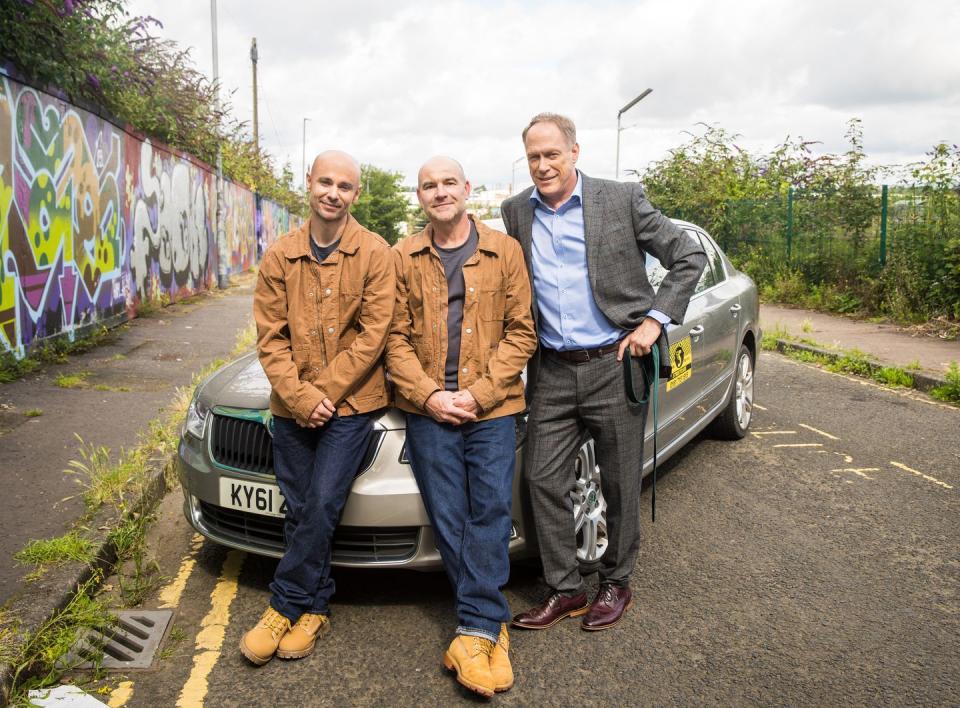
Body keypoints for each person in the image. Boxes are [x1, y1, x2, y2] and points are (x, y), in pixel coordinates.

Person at [501, 113, 706, 632]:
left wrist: (656, 321)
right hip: (551, 369)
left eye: (552, 154)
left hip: (614, 364)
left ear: (574, 152)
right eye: (533, 157)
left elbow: (688, 255)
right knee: (541, 479)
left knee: (617, 482)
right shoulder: (514, 212)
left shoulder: (621, 199)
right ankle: (565, 589)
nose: (543, 165)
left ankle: (616, 582)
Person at [386, 156, 537, 696]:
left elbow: (522, 333)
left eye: (449, 182)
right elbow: (393, 338)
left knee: (490, 508)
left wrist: (477, 393)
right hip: (429, 408)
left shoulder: (505, 251)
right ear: (420, 196)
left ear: (467, 190)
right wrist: (430, 395)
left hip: (491, 406)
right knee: (448, 511)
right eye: (429, 185)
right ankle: (486, 625)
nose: (440, 192)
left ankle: (473, 627)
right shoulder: (402, 256)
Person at [242, 150, 395, 665]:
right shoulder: (279, 255)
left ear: (356, 194)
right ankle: (316, 606)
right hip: (291, 408)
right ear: (308, 184)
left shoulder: (375, 253)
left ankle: (284, 602)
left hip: (351, 407)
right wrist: (301, 397)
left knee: (323, 502)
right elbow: (270, 337)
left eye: (345, 186)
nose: (334, 192)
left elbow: (374, 336)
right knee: (303, 507)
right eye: (325, 182)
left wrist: (322, 394)